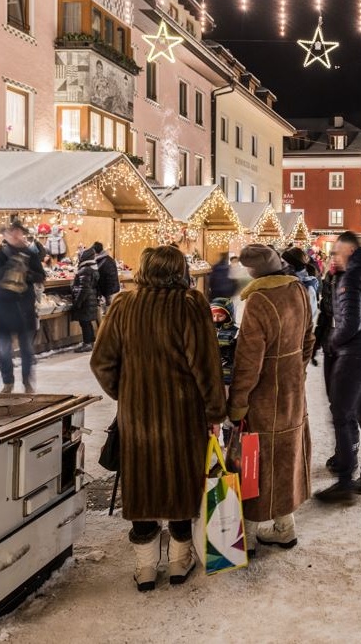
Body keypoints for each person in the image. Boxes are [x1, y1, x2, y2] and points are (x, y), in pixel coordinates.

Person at [89, 246, 225, 591]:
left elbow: (101, 362)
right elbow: (206, 367)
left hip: (138, 417)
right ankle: (179, 561)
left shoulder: (123, 305)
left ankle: (146, 567)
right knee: (182, 483)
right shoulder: (191, 305)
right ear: (179, 271)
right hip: (183, 415)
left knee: (143, 484)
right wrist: (214, 411)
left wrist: (127, 393)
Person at [228, 244, 315, 552]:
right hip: (292, 390)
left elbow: (249, 362)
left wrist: (237, 403)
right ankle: (285, 526)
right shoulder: (298, 291)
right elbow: (309, 338)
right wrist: (298, 370)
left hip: (264, 396)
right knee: (286, 456)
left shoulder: (258, 301)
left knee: (254, 461)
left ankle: (248, 536)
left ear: (252, 272)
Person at [314, 231, 361, 504]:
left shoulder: (352, 278)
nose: (333, 257)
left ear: (347, 251)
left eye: (336, 252)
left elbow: (350, 323)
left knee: (342, 415)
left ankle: (345, 480)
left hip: (355, 354)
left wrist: (332, 342)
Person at [0, 221, 46, 393]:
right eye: (11, 232)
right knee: (4, 349)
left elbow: (41, 276)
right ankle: (7, 382)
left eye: (18, 232)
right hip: (3, 308)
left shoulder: (31, 255)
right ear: (5, 235)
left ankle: (27, 381)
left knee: (26, 349)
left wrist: (27, 273)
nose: (15, 235)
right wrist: (10, 266)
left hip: (23, 308)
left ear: (22, 234)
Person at [314, 254, 357, 466]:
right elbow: (324, 312)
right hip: (331, 345)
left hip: (349, 349)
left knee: (346, 405)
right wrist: (317, 342)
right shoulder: (329, 279)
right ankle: (343, 451)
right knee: (336, 403)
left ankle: (348, 454)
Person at [71, 247, 100, 353]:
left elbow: (84, 288)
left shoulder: (85, 270)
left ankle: (87, 343)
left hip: (86, 300)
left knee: (84, 322)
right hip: (90, 298)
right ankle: (90, 342)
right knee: (87, 322)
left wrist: (78, 302)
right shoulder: (92, 268)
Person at [282, 247, 319, 323]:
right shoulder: (289, 280)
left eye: (283, 263)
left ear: (292, 266)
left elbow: (310, 317)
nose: (281, 266)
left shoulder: (307, 285)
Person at [211, 298, 238, 386]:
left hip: (228, 376)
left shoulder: (235, 332)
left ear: (228, 316)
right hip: (211, 375)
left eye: (220, 316)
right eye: (213, 316)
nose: (216, 319)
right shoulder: (207, 330)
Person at [92, 242, 121, 306]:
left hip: (108, 291)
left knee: (107, 311)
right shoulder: (108, 258)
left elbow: (98, 276)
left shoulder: (101, 261)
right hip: (114, 289)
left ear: (95, 252)